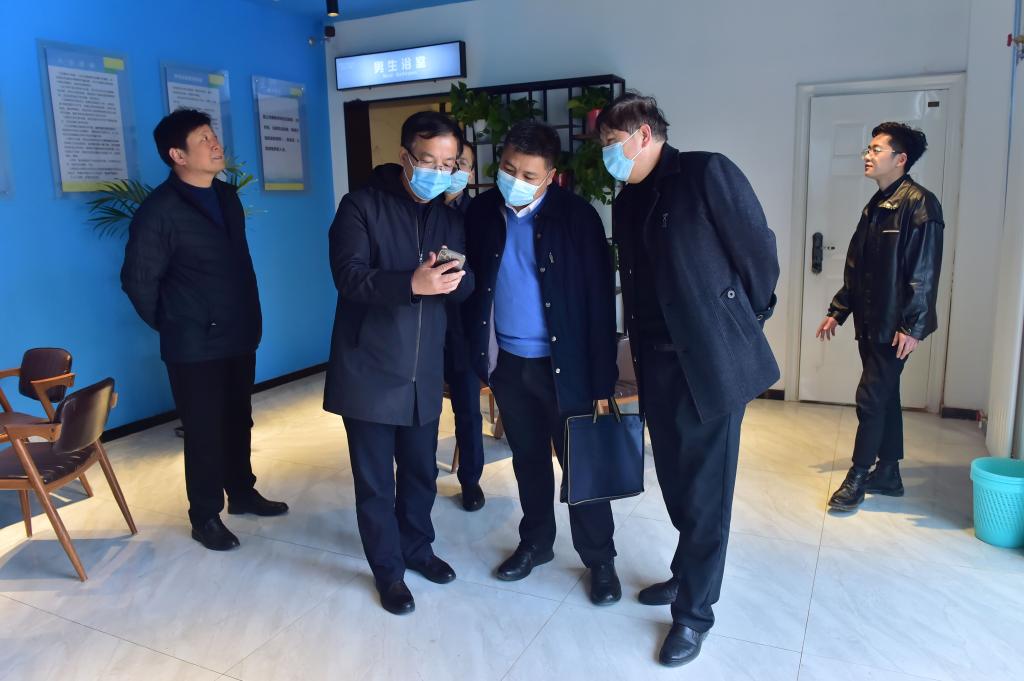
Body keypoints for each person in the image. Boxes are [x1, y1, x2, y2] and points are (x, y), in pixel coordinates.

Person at [598, 93, 780, 666]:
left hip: (710, 362)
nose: (607, 155)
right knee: (677, 481)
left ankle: (694, 614)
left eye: (612, 143)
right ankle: (686, 572)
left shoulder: (705, 173)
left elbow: (758, 251)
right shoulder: (628, 200)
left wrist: (741, 318)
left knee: (706, 493)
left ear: (644, 135)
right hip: (656, 363)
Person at [463, 121, 621, 604]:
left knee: (582, 465)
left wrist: (602, 378)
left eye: (529, 175)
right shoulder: (481, 212)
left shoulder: (578, 218)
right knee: (528, 460)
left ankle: (600, 559)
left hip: (565, 366)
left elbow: (599, 302)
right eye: (508, 169)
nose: (515, 180)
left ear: (551, 176)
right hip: (510, 364)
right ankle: (536, 542)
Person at [324, 111, 474, 615]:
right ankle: (388, 572)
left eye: (449, 164)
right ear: (406, 156)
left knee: (420, 473)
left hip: (423, 370)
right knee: (375, 483)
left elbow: (465, 284)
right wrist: (411, 282)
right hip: (368, 369)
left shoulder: (448, 217)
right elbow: (348, 277)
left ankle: (418, 549)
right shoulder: (360, 206)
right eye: (428, 161)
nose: (438, 172)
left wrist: (458, 279)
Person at [122, 109, 288, 552]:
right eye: (204, 140)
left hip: (238, 331)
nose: (216, 145)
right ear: (177, 155)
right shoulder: (159, 211)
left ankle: (243, 492)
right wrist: (175, 321)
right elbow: (137, 280)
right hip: (193, 343)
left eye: (214, 136)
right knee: (203, 429)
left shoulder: (227, 197)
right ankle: (205, 515)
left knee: (238, 418)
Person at [817, 122, 943, 511]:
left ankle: (857, 476)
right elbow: (857, 265)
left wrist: (912, 325)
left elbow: (924, 271)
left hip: (896, 325)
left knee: (870, 398)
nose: (867, 156)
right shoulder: (876, 205)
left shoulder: (921, 204)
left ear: (900, 159)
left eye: (876, 149)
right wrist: (839, 310)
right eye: (867, 149)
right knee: (885, 396)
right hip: (870, 321)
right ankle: (887, 473)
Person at [443, 143, 487, 511]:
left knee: (468, 410)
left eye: (462, 164)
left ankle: (471, 481)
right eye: (450, 162)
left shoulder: (479, 215)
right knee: (420, 410)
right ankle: (419, 472)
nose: (455, 169)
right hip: (422, 326)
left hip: (464, 328)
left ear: (471, 173)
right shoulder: (418, 209)